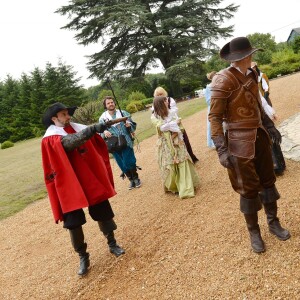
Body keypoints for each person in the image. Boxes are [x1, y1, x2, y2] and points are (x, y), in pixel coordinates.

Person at [208, 37, 290, 253]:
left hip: (260, 137)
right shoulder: (222, 80)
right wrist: (221, 149)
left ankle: (273, 223)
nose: (252, 57)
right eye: (249, 54)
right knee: (248, 187)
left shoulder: (252, 74)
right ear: (242, 57)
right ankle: (254, 232)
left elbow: (257, 105)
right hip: (237, 141)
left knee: (268, 180)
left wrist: (270, 126)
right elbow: (214, 118)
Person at [41, 102, 125, 276]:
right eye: (63, 114)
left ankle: (112, 243)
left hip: (88, 178)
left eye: (67, 113)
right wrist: (94, 128)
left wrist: (96, 130)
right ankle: (83, 256)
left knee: (102, 210)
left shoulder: (77, 127)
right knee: (73, 222)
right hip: (68, 185)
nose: (68, 117)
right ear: (54, 118)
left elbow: (88, 140)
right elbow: (70, 143)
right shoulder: (50, 138)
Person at [151, 96, 200, 198]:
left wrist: (175, 129)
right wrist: (173, 125)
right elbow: (161, 128)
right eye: (165, 101)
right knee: (171, 164)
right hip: (166, 145)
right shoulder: (155, 117)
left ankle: (186, 187)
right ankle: (175, 187)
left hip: (178, 142)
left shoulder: (171, 113)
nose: (167, 102)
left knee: (182, 162)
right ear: (160, 104)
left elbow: (180, 127)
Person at [99, 96, 141, 190]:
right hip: (113, 144)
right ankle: (131, 180)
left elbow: (132, 125)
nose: (111, 104)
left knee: (128, 160)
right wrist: (104, 132)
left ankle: (136, 178)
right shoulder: (102, 118)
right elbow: (100, 131)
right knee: (121, 163)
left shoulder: (123, 113)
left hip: (126, 140)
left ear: (114, 103)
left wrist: (129, 125)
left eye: (112, 102)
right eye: (108, 103)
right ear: (105, 106)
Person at [251, 62, 286, 175]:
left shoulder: (259, 80)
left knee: (271, 138)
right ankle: (268, 168)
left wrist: (272, 113)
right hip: (254, 119)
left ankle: (278, 166)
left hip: (263, 114)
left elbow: (264, 102)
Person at [153, 87, 199, 163]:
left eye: (161, 94)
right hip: (166, 126)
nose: (159, 96)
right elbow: (155, 114)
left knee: (184, 140)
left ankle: (191, 157)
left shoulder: (169, 100)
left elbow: (174, 111)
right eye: (158, 95)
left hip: (175, 122)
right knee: (170, 144)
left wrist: (167, 113)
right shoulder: (156, 103)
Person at [204, 71, 217, 148]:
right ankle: (213, 143)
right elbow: (208, 101)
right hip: (212, 108)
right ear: (212, 78)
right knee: (212, 126)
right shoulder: (208, 87)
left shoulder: (220, 85)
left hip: (221, 106)